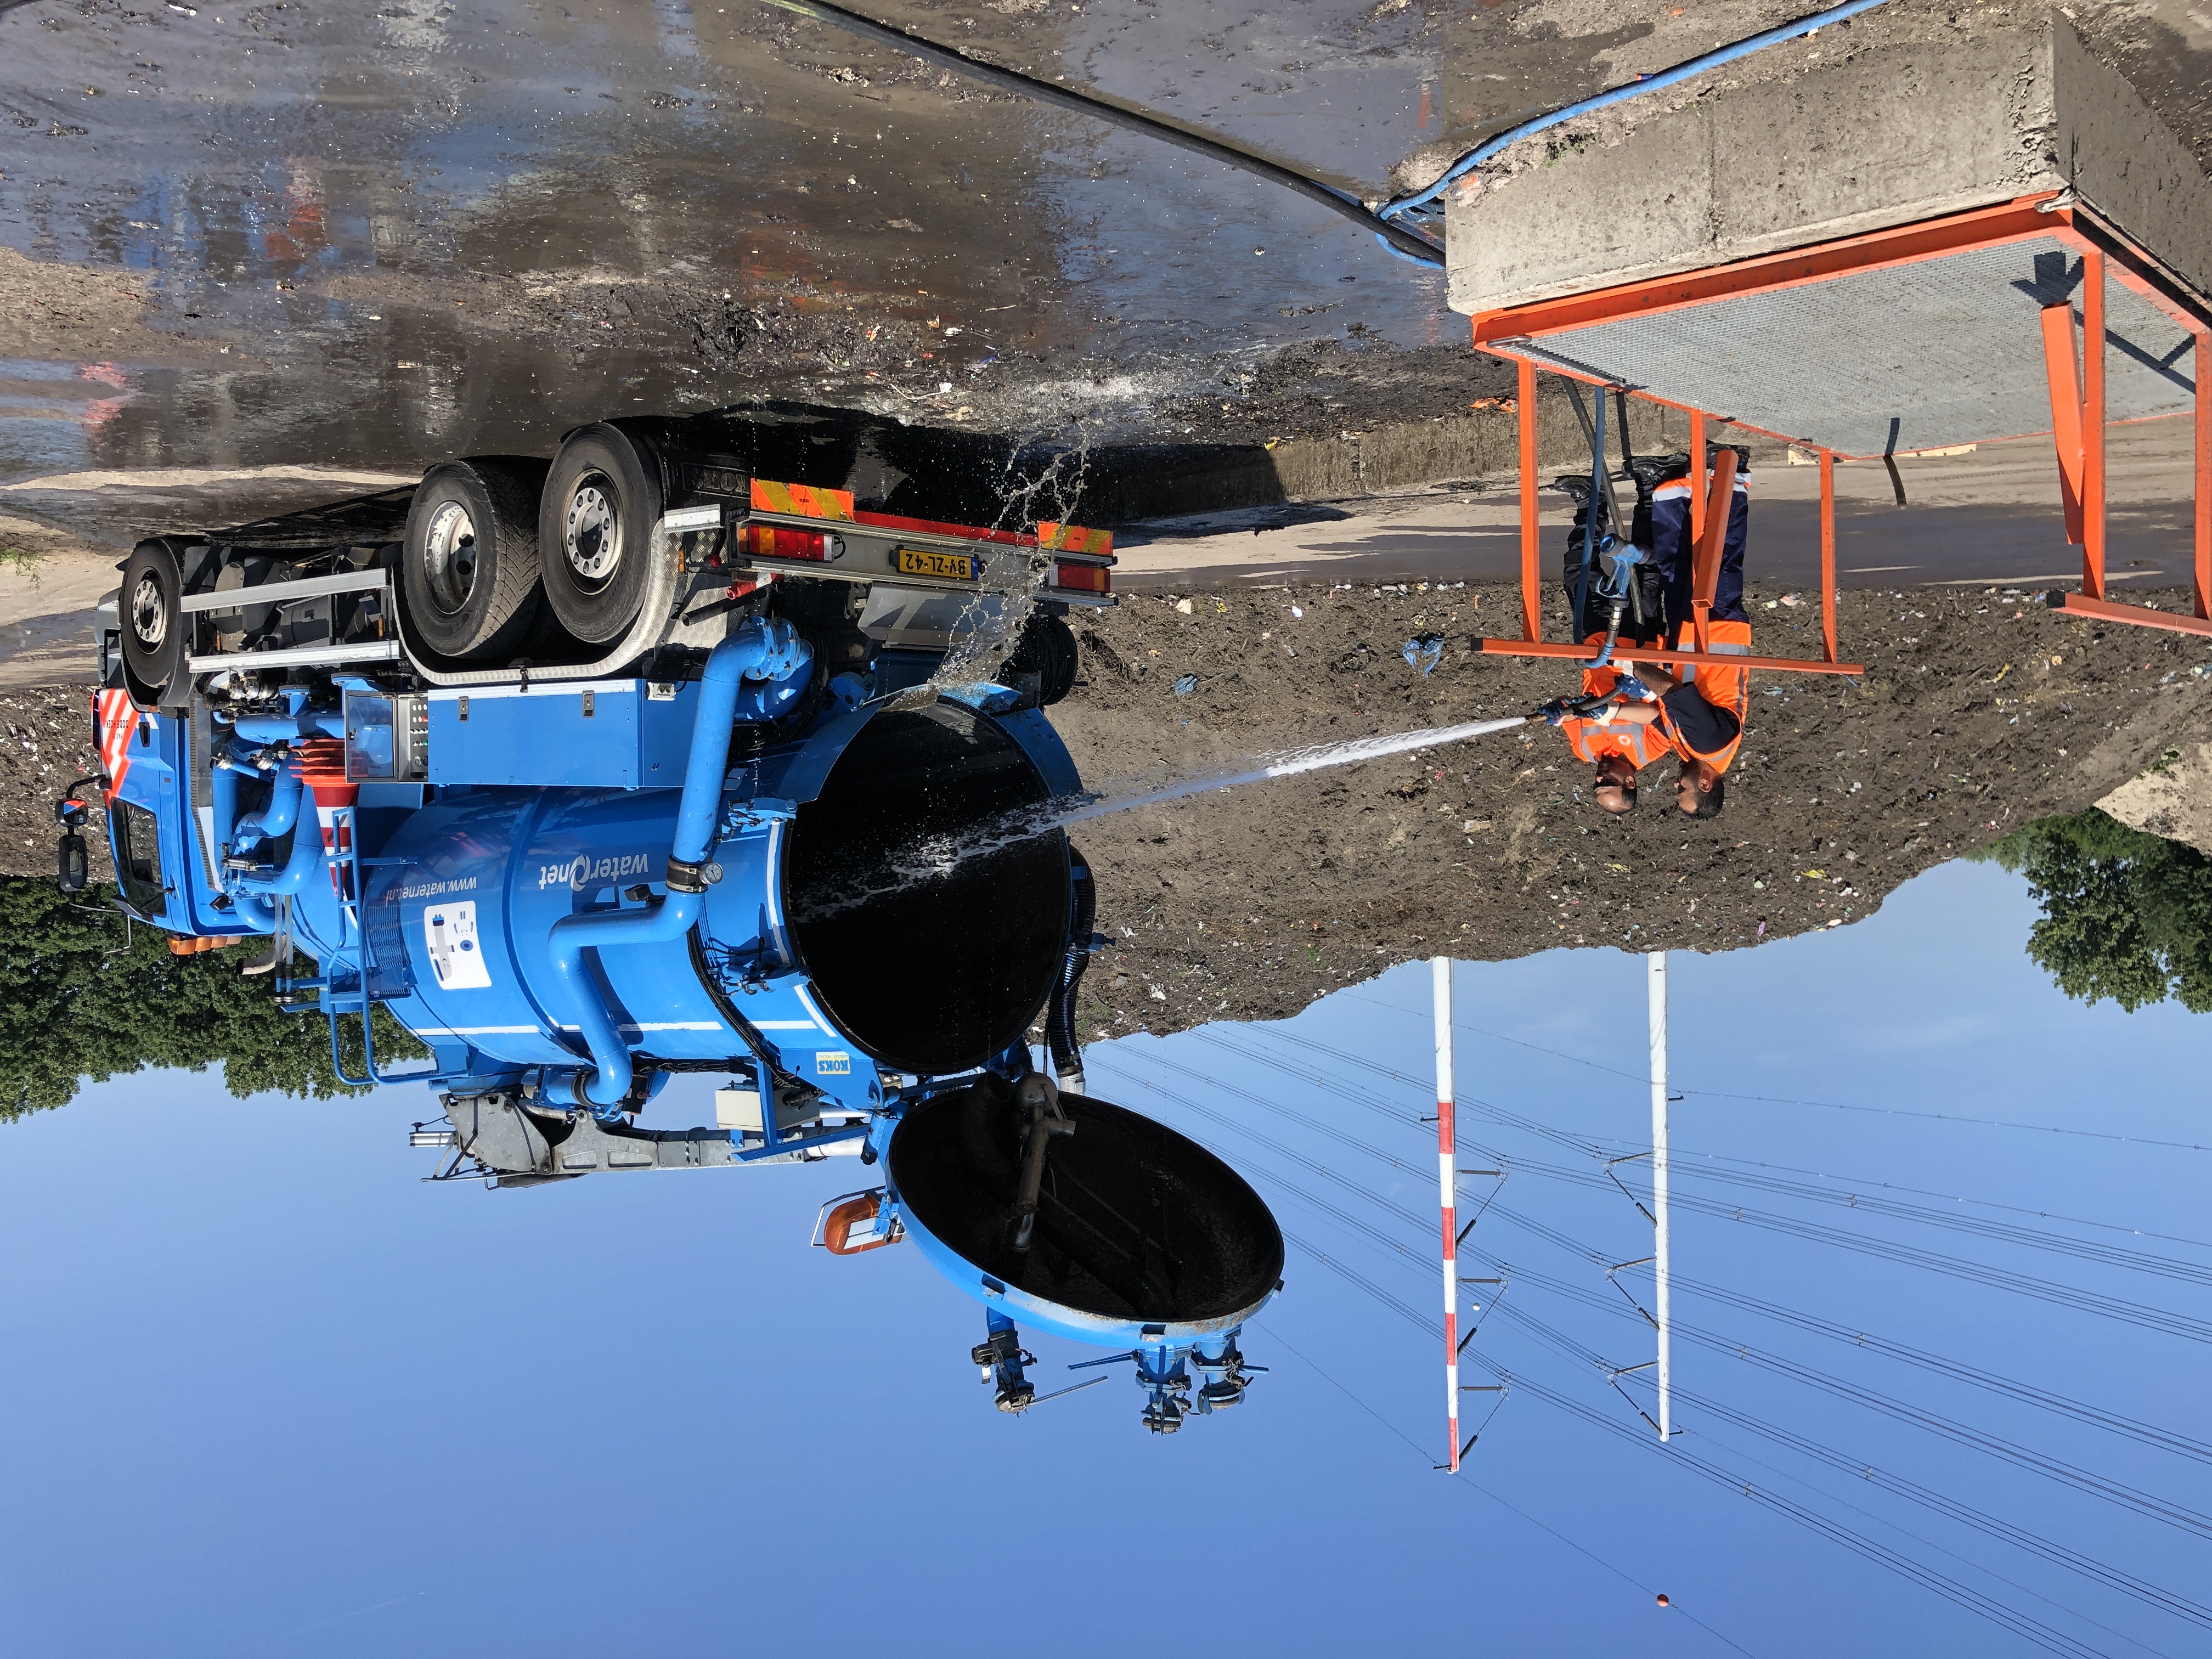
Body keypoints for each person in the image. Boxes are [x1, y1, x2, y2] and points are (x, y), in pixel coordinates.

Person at [1543, 446, 1753, 816]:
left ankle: (1673, 484)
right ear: (1704, 785)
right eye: (1681, 791)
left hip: (1687, 639)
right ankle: (1731, 474)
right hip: (1713, 631)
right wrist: (1629, 668)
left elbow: (1656, 717)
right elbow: (1672, 693)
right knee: (1718, 558)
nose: (1674, 785)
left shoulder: (1689, 749)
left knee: (1673, 563)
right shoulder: (1710, 743)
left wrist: (1595, 713)